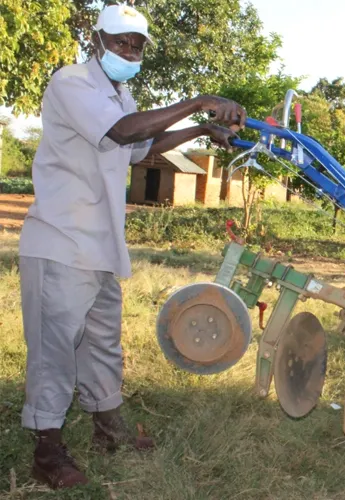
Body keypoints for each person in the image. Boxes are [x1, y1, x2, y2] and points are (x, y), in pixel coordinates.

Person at [17, 3, 248, 489]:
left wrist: (204, 130)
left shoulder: (120, 96)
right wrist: (200, 102)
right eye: (121, 42)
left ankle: (109, 429)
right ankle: (48, 450)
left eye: (137, 45)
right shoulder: (72, 82)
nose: (129, 51)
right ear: (96, 39)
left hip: (100, 243)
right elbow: (125, 132)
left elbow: (141, 146)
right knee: (54, 349)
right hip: (60, 239)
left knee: (102, 342)